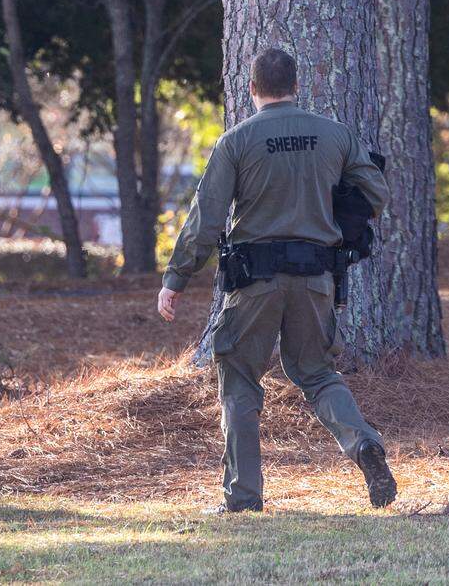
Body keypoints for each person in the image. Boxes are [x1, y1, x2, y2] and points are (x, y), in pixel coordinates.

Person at [157, 48, 396, 513]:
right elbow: (375, 193)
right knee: (317, 373)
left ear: (251, 89)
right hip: (316, 278)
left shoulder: (237, 141)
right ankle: (363, 442)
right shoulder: (335, 135)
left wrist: (176, 277)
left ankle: (243, 497)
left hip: (254, 281)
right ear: (296, 85)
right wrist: (336, 223)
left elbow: (206, 220)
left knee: (241, 378)